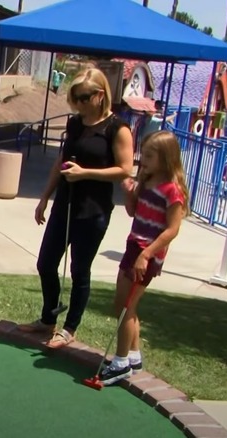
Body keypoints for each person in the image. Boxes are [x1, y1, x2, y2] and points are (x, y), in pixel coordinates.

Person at [17, 68, 134, 348]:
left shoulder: (117, 129)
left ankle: (70, 328)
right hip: (65, 203)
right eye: (75, 99)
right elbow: (61, 161)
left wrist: (86, 173)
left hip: (93, 210)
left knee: (80, 270)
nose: (79, 104)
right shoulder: (75, 124)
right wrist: (45, 196)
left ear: (99, 95)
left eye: (83, 98)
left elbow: (125, 169)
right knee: (46, 263)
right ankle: (48, 318)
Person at [97, 130, 189, 385]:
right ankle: (133, 356)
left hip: (148, 253)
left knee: (124, 305)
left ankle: (120, 362)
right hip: (134, 245)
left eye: (149, 155)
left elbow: (172, 229)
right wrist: (130, 192)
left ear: (167, 158)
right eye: (144, 153)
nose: (143, 159)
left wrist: (146, 255)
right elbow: (132, 212)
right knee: (126, 304)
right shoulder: (146, 181)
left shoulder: (173, 190)